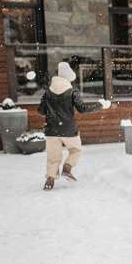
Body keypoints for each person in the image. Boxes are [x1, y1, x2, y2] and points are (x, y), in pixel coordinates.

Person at [38, 62, 111, 190]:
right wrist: (100, 105)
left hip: (51, 130)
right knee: (75, 150)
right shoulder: (72, 91)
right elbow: (82, 109)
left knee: (53, 157)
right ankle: (67, 168)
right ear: (68, 78)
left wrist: (52, 107)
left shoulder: (47, 91)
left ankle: (50, 180)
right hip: (68, 129)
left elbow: (41, 110)